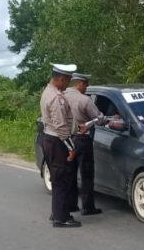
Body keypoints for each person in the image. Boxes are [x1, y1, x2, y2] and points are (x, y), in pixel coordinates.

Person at [40, 63, 82, 227]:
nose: (68, 84)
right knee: (62, 179)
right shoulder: (56, 97)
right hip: (57, 141)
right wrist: (71, 148)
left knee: (58, 177)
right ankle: (61, 218)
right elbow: (61, 126)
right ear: (60, 79)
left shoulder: (48, 91)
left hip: (50, 139)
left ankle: (57, 212)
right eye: (67, 80)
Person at [64, 72, 106, 216]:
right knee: (86, 174)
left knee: (70, 173)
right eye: (86, 84)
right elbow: (99, 119)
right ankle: (87, 207)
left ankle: (71, 204)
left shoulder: (61, 97)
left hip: (65, 139)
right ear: (79, 83)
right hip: (82, 139)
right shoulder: (84, 100)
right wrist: (102, 118)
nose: (87, 87)